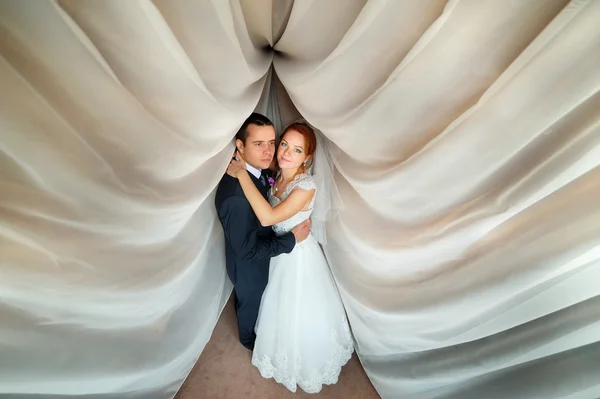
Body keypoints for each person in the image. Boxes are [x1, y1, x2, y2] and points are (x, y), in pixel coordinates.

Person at [226, 121, 354, 393]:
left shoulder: (305, 187)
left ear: (306, 158)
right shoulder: (275, 173)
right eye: (283, 144)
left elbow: (268, 216)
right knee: (270, 300)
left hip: (296, 257)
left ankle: (300, 359)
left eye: (296, 150)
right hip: (275, 249)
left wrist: (241, 174)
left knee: (296, 309)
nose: (284, 152)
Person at [215, 113, 311, 351]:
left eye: (272, 142)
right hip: (249, 266)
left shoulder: (262, 172)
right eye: (259, 144)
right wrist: (291, 239)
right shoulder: (236, 197)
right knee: (251, 304)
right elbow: (247, 250)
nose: (269, 151)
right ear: (240, 145)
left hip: (267, 252)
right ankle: (250, 340)